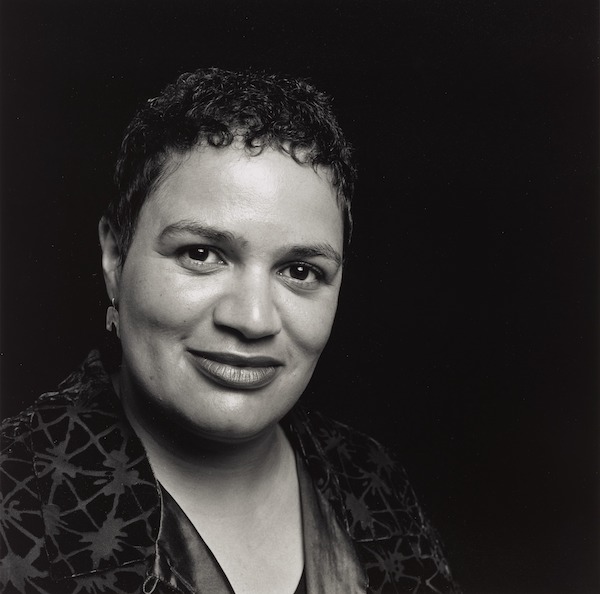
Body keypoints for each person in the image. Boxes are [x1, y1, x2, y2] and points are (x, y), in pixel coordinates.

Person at [0, 67, 460, 594]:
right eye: (201, 254)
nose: (253, 320)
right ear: (114, 257)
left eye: (300, 270)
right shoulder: (15, 500)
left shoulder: (372, 480)